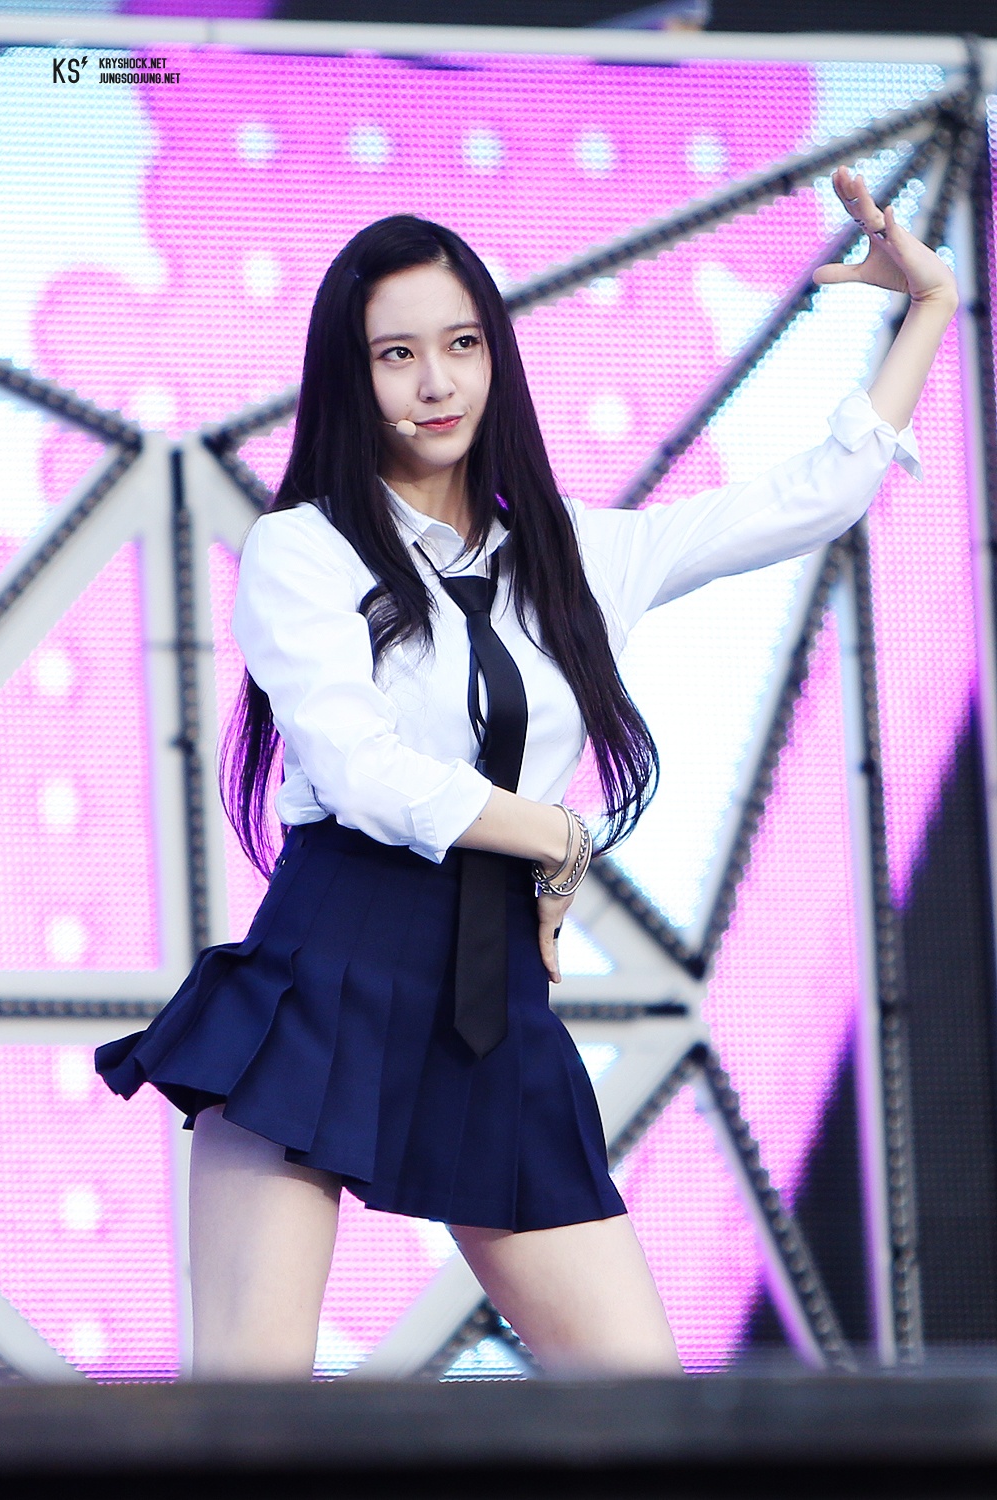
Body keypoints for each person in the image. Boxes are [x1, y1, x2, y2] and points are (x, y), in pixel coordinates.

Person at [95, 165, 957, 1381]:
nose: (435, 382)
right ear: (350, 377)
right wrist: (553, 835)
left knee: (643, 1410)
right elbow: (360, 772)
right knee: (250, 1413)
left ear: (496, 354)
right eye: (395, 355)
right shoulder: (304, 549)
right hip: (326, 971)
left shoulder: (579, 553)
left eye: (460, 344)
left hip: (495, 1004)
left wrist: (928, 307)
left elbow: (813, 495)